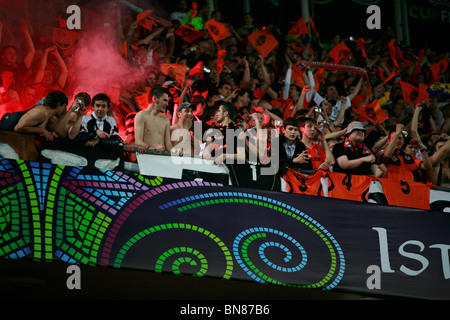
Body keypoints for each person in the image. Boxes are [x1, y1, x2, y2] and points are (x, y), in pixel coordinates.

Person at [379, 105, 432, 182]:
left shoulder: (409, 157)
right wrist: (397, 133)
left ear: (404, 142)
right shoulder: (382, 153)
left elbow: (427, 166)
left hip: (407, 193)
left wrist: (421, 147)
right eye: (395, 138)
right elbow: (387, 156)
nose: (398, 140)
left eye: (400, 138)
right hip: (390, 191)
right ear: (389, 141)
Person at [0, 90, 68, 141]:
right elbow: (18, 127)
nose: (64, 110)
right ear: (59, 104)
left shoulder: (47, 114)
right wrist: (43, 130)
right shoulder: (41, 112)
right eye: (64, 106)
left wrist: (49, 133)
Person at [134, 86, 180, 154]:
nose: (167, 104)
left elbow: (168, 146)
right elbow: (138, 141)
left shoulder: (166, 120)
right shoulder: (141, 116)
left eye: (167, 101)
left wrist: (176, 151)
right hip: (146, 158)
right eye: (164, 100)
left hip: (160, 159)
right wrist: (153, 149)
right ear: (155, 99)